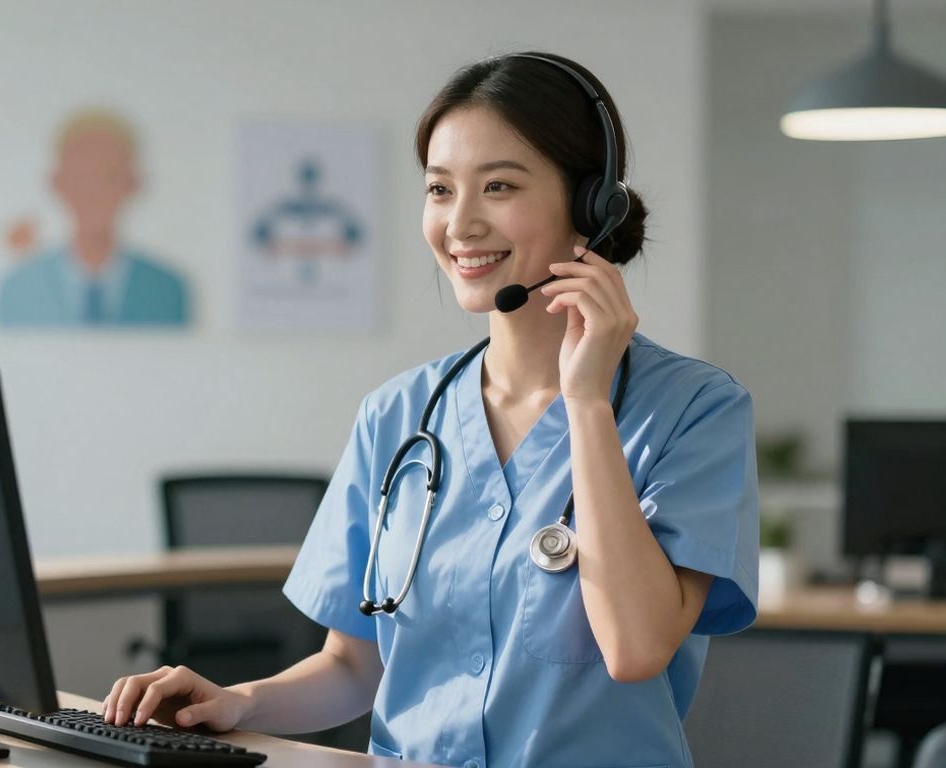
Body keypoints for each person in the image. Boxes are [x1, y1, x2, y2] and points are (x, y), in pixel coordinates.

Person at [102, 52, 757, 768]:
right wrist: (237, 702)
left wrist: (588, 406)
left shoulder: (694, 411)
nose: (461, 223)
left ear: (591, 204)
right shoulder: (399, 414)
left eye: (499, 186)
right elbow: (356, 667)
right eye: (440, 190)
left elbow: (636, 649)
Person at [0, 108, 189, 327]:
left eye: (109, 176)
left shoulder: (166, 290)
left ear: (133, 183)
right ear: (57, 183)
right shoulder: (19, 289)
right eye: (81, 177)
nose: (94, 192)